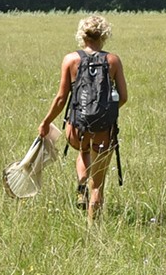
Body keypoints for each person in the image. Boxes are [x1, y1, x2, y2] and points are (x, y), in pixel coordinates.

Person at [40, 15, 128, 221]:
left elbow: (61, 98)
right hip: (103, 130)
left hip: (76, 128)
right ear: (104, 35)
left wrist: (45, 122)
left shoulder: (70, 60)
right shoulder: (113, 61)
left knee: (83, 149)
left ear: (82, 35)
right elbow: (123, 97)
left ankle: (81, 183)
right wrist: (105, 112)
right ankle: (92, 229)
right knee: (97, 186)